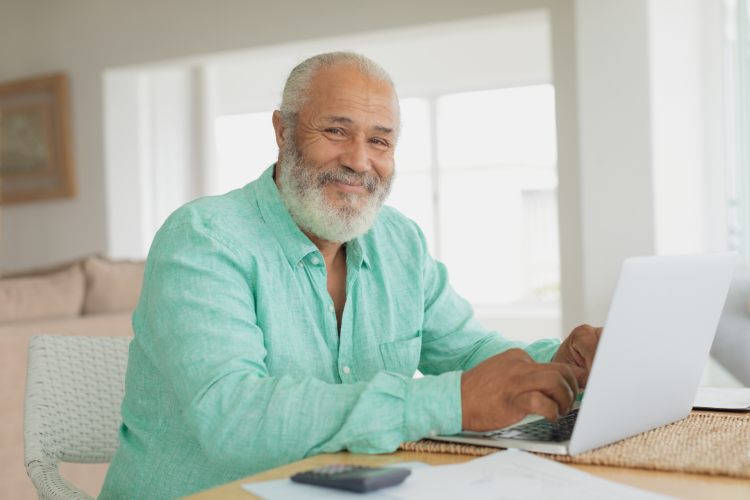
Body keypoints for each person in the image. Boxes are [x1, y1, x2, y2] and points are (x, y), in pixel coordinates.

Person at [100, 52, 601, 499]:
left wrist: (561, 367)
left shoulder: (399, 242)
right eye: (336, 131)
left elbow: (472, 353)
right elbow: (234, 416)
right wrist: (451, 400)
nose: (359, 161)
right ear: (282, 130)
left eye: (379, 141)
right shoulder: (203, 239)